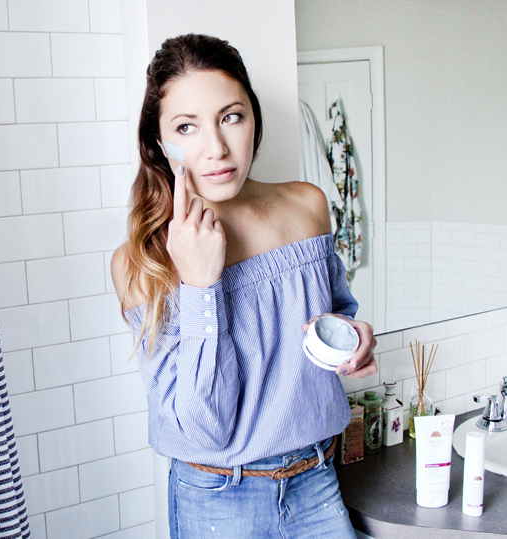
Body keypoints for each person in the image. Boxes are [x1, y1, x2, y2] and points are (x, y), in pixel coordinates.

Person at [110, 34, 378, 539]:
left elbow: (332, 316)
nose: (216, 148)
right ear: (160, 143)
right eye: (186, 126)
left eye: (231, 117)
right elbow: (203, 426)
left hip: (316, 480)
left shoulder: (307, 207)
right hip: (217, 498)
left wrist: (354, 337)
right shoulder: (143, 261)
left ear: (254, 117)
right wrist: (199, 286)